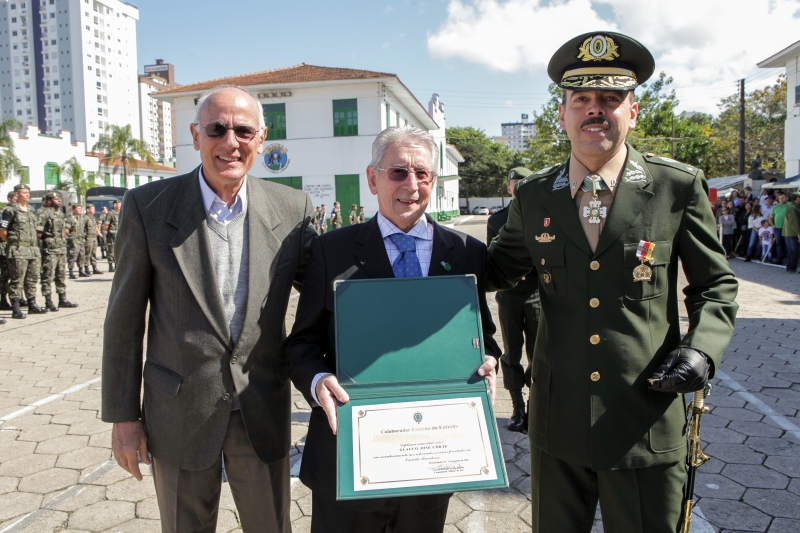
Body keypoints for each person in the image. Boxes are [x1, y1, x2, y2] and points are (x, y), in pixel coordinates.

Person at [485, 31, 738, 533]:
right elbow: (498, 267)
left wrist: (701, 350)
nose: (594, 110)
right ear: (562, 114)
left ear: (633, 111)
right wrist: (417, 246)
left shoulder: (676, 186)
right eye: (581, 99)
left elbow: (715, 286)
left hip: (642, 418)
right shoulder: (535, 195)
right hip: (559, 423)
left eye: (610, 98)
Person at [102, 86, 315, 533]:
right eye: (217, 129)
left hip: (261, 407)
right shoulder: (148, 207)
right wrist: (123, 417)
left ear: (261, 138)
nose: (229, 142)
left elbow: (326, 292)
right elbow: (123, 320)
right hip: (178, 411)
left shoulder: (292, 208)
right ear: (196, 135)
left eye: (243, 130)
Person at [285, 125, 501, 533]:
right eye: (398, 172)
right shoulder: (332, 251)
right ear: (373, 178)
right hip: (349, 459)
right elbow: (302, 344)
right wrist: (317, 381)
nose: (412, 185)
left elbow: (482, 334)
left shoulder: (468, 252)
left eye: (423, 174)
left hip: (433, 459)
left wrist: (489, 359)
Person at [486, 166, 540, 433]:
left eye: (524, 183)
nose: (518, 187)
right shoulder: (496, 220)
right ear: (508, 187)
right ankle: (517, 405)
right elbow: (492, 259)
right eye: (514, 183)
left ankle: (535, 404)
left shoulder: (544, 214)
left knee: (539, 352)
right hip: (509, 296)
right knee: (511, 352)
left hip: (537, 294)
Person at [0, 184, 48, 318]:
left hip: (32, 250)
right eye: (24, 192)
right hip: (18, 250)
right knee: (17, 280)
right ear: (17, 194)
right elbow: (3, 231)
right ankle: (15, 308)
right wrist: (13, 243)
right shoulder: (10, 210)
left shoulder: (31, 210)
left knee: (32, 279)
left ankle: (32, 305)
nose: (28, 194)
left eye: (28, 192)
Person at [38, 192, 78, 311]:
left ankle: (62, 299)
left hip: (60, 249)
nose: (59, 201)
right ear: (49, 201)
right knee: (47, 276)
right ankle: (48, 301)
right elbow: (38, 233)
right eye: (56, 199)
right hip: (50, 250)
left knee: (60, 276)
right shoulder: (44, 214)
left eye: (59, 198)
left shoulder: (61, 214)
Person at [0, 190, 17, 311]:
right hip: (3, 247)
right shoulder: (5, 212)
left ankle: (17, 299)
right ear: (9, 199)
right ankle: (3, 299)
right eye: (14, 198)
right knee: (5, 275)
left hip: (10, 248)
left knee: (15, 274)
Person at [67, 204, 87, 279]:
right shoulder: (70, 219)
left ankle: (81, 271)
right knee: (73, 256)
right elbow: (66, 230)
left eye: (80, 208)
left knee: (81, 256)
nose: (80, 210)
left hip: (81, 240)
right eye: (78, 208)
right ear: (74, 209)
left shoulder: (80, 218)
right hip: (74, 240)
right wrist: (70, 238)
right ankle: (71, 272)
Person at [782, 192, 800, 273]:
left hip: (790, 232)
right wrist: (799, 233)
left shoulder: (792, 207)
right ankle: (792, 268)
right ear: (798, 198)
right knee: (794, 251)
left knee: (791, 250)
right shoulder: (793, 208)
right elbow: (794, 222)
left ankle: (790, 267)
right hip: (793, 233)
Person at [769, 192, 789, 264]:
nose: (781, 199)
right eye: (780, 198)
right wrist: (772, 225)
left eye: (783, 198)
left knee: (788, 244)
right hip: (777, 228)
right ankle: (779, 259)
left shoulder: (790, 206)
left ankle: (790, 260)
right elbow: (771, 217)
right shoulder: (776, 207)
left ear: (787, 198)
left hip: (788, 229)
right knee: (779, 244)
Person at [83, 205, 102, 276]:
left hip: (94, 238)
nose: (94, 210)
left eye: (94, 209)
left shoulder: (93, 217)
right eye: (92, 209)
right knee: (87, 254)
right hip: (88, 238)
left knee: (93, 254)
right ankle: (86, 268)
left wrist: (98, 232)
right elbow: (82, 228)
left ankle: (94, 268)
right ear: (87, 210)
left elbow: (95, 226)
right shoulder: (85, 218)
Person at [102, 200, 121, 272]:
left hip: (119, 235)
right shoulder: (110, 213)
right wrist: (109, 233)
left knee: (118, 250)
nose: (120, 206)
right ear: (114, 205)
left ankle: (117, 265)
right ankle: (111, 265)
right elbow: (106, 226)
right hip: (112, 236)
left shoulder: (120, 213)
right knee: (111, 250)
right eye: (119, 204)